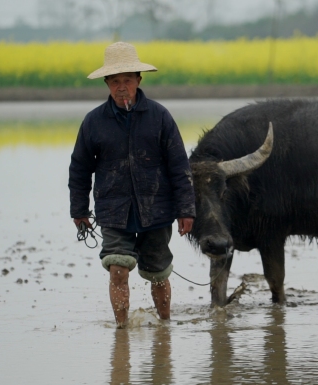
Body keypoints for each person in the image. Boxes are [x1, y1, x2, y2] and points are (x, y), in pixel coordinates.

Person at [69, 42, 196, 328]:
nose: (121, 86)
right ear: (107, 84)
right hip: (114, 211)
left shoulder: (160, 117)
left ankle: (165, 327)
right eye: (115, 81)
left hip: (157, 210)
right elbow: (79, 169)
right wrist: (79, 210)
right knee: (117, 270)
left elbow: (179, 166)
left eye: (127, 79)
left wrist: (186, 210)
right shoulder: (93, 122)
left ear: (139, 80)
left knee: (159, 273)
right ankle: (122, 330)